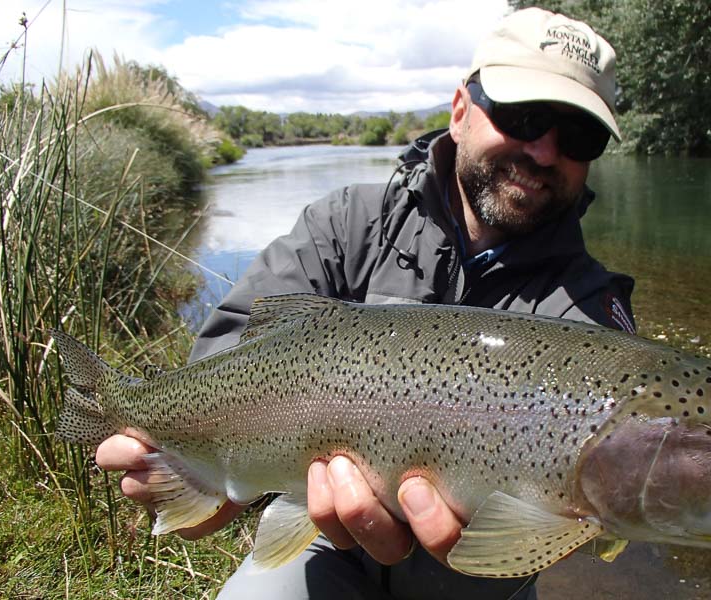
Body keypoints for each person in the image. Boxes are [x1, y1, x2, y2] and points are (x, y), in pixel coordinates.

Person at [95, 7, 636, 599]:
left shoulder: (591, 319)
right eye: (523, 115)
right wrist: (210, 482)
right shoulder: (347, 224)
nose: (544, 150)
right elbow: (226, 362)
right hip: (327, 549)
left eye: (578, 135)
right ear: (460, 111)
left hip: (478, 585)